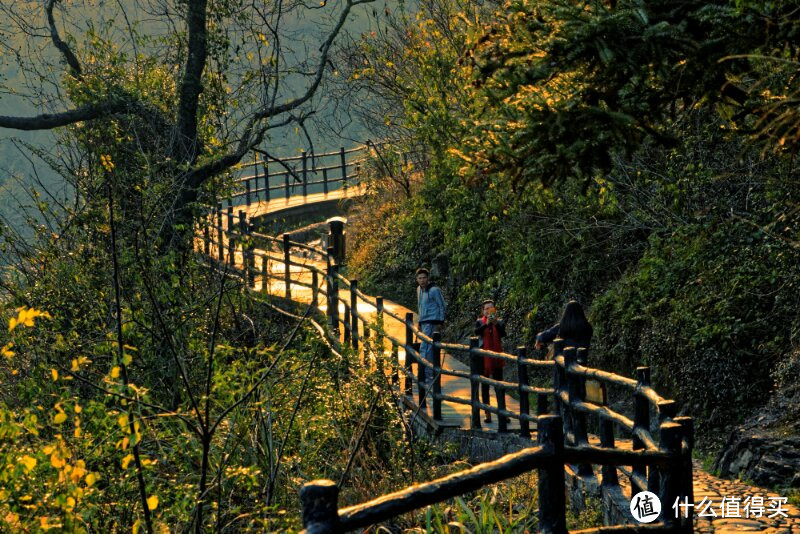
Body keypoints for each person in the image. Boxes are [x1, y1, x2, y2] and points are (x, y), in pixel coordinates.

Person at [474, 299, 507, 423]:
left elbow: (503, 334)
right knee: (485, 385)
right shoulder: (479, 322)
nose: (488, 310)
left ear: (495, 310)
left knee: (500, 385)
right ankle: (487, 413)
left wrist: (495, 323)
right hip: (484, 357)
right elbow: (476, 332)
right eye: (486, 308)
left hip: (497, 356)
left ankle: (502, 412)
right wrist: (487, 324)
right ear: (483, 311)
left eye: (491, 308)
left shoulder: (500, 322)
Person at [416, 268, 446, 383]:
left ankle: (427, 375)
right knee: (427, 348)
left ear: (428, 278)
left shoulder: (434, 290)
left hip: (433, 322)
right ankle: (425, 374)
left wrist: (441, 322)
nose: (422, 280)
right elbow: (419, 306)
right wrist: (419, 321)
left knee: (426, 349)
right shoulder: (419, 290)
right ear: (417, 280)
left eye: (424, 278)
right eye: (420, 278)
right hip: (424, 323)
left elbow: (442, 305)